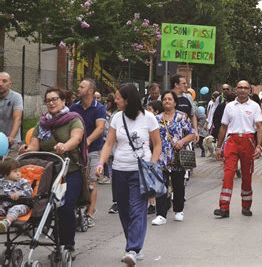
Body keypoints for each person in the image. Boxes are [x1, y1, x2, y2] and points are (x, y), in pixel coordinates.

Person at [96, 84, 161, 266]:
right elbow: (109, 143)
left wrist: (152, 166)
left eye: (118, 98)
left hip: (140, 171)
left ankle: (132, 249)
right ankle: (133, 246)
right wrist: (101, 163)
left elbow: (157, 144)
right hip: (119, 170)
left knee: (137, 210)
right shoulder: (117, 117)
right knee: (124, 210)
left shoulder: (148, 118)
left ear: (128, 99)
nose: (115, 101)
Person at [19, 87, 86, 255]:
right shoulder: (42, 123)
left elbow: (76, 138)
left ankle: (67, 244)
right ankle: (48, 233)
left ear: (63, 101)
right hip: (48, 172)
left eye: (55, 99)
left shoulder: (73, 119)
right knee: (40, 203)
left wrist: (65, 146)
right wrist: (26, 150)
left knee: (65, 205)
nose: (51, 103)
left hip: (69, 171)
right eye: (48, 100)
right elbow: (35, 145)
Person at [214, 80, 262, 218]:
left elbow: (259, 127)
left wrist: (259, 146)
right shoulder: (229, 106)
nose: (242, 90)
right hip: (232, 141)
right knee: (228, 174)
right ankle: (224, 208)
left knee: (247, 176)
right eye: (240, 88)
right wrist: (218, 147)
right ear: (236, 89)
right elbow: (223, 127)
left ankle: (246, 206)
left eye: (245, 88)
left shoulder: (254, 106)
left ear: (250, 90)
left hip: (248, 141)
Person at [151, 91, 195, 226]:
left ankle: (178, 210)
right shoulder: (156, 119)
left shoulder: (182, 117)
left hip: (177, 157)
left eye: (170, 99)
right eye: (164, 99)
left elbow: (192, 134)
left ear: (175, 102)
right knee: (161, 186)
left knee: (178, 184)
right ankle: (161, 214)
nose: (167, 101)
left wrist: (182, 142)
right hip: (161, 156)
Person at [70, 78, 106, 227]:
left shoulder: (99, 108)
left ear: (90, 91)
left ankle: (90, 213)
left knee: (91, 182)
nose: (78, 89)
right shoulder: (74, 107)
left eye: (81, 86)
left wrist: (88, 141)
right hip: (76, 151)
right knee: (77, 181)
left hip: (93, 150)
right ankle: (76, 211)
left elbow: (100, 127)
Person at [0, 158, 33, 232]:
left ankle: (6, 222)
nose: (18, 173)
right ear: (5, 173)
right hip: (3, 205)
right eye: (15, 172)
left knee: (15, 209)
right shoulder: (1, 182)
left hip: (21, 204)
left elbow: (29, 191)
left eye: (19, 171)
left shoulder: (22, 182)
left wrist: (19, 193)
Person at [170, 74, 198, 141]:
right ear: (176, 85)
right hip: (170, 135)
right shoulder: (167, 97)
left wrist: (195, 131)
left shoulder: (188, 97)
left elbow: (192, 115)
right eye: (184, 83)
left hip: (186, 135)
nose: (186, 85)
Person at [0, 72, 23, 147]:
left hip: (12, 142)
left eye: (4, 81)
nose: (0, 84)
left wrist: (11, 137)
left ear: (10, 83)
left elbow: (17, 118)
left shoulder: (16, 97)